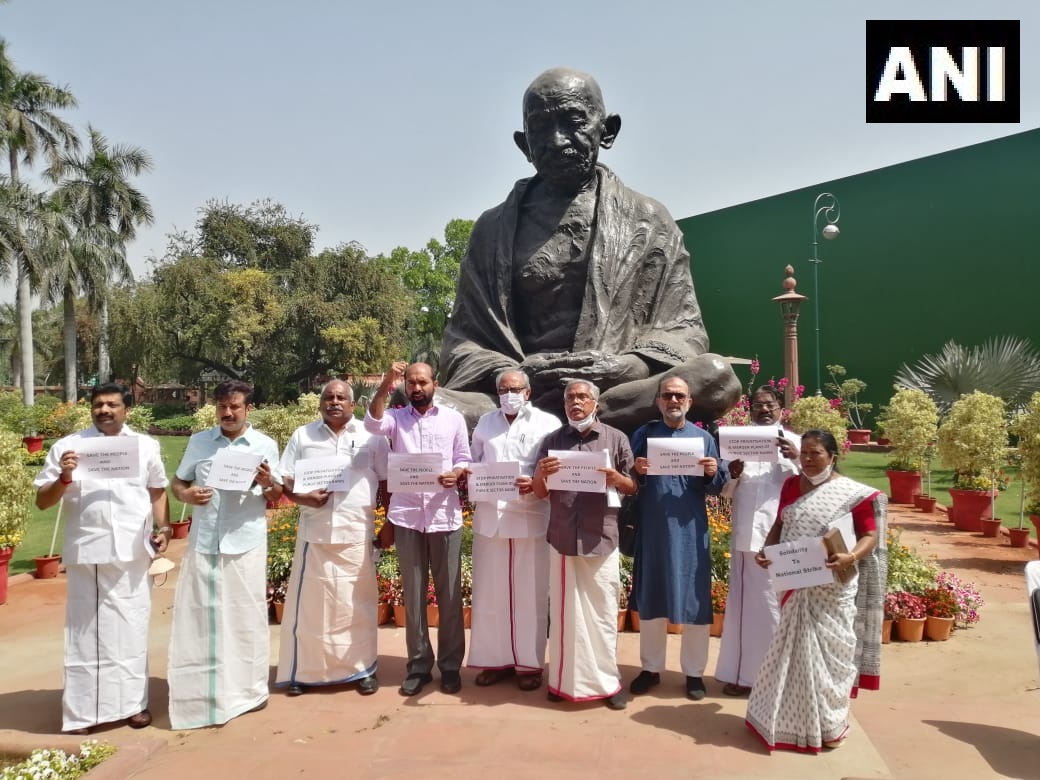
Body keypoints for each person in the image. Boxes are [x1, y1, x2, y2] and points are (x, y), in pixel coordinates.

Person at [438, 66, 739, 432]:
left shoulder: (649, 219)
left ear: (607, 130)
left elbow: (685, 331)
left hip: (616, 386)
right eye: (540, 128)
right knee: (418, 399)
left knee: (715, 376)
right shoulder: (492, 229)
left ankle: (577, 419)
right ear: (523, 143)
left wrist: (633, 365)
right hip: (516, 392)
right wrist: (512, 373)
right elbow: (462, 343)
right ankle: (577, 424)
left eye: (574, 121)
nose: (558, 140)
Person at [34, 383, 170, 735]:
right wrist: (65, 477)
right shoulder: (68, 447)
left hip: (132, 551)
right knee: (86, 633)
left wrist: (165, 527)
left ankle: (134, 705)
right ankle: (82, 714)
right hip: (88, 550)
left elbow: (156, 490)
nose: (104, 410)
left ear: (127, 409)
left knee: (131, 628)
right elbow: (43, 502)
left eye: (112, 404)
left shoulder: (144, 446)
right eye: (98, 404)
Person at [746, 429, 887, 753]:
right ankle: (783, 723)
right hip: (795, 582)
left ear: (832, 456)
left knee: (828, 656)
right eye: (804, 453)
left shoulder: (852, 494)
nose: (808, 460)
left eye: (815, 454)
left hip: (831, 588)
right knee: (788, 650)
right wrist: (768, 549)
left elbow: (870, 535)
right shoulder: (792, 485)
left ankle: (827, 725)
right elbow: (780, 523)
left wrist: (850, 556)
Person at [168, 380, 283, 729]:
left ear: (248, 409)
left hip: (245, 541)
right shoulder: (200, 441)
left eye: (234, 406)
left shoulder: (264, 444)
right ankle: (202, 691)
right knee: (203, 618)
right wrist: (187, 497)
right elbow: (178, 483)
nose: (228, 413)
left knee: (245, 617)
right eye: (222, 407)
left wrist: (267, 482)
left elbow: (277, 493)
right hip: (205, 540)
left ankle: (249, 691)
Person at [276, 380, 389, 697]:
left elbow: (386, 481)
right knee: (311, 606)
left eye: (341, 397)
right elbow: (284, 478)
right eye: (329, 397)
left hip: (356, 531)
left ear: (353, 405)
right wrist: (302, 497)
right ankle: (304, 671)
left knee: (358, 604)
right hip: (317, 533)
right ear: (320, 403)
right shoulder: (303, 435)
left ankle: (362, 669)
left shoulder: (371, 436)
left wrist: (388, 523)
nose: (335, 402)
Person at [364, 361, 471, 696]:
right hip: (408, 516)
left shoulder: (453, 418)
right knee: (413, 594)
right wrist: (385, 384)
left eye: (422, 382)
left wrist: (457, 473)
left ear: (434, 384)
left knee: (450, 596)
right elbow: (372, 423)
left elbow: (463, 456)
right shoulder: (396, 418)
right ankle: (419, 665)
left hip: (444, 516)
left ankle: (451, 666)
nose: (416, 388)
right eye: (411, 383)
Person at [532, 379, 637, 710]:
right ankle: (563, 680)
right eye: (569, 398)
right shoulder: (552, 441)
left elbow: (633, 485)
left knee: (603, 614)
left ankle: (607, 683)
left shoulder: (615, 439)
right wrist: (541, 473)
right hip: (562, 539)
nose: (575, 403)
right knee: (564, 617)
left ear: (596, 404)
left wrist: (615, 479)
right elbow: (539, 491)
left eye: (582, 397)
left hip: (600, 538)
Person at [627, 376, 725, 701]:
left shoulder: (703, 438)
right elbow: (630, 483)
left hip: (690, 532)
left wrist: (712, 472)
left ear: (689, 402)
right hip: (653, 530)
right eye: (667, 395)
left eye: (679, 395)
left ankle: (694, 673)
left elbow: (716, 487)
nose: (673, 400)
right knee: (652, 597)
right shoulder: (644, 435)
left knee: (695, 601)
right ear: (658, 401)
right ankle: (651, 668)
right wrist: (637, 471)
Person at [466, 369, 561, 691]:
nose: (510, 394)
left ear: (528, 392)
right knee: (489, 595)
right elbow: (473, 464)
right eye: (504, 389)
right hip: (490, 519)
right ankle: (495, 661)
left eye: (516, 389)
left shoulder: (548, 424)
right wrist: (471, 477)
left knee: (530, 597)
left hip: (530, 517)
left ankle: (529, 665)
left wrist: (535, 483)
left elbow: (557, 470)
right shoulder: (485, 424)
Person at [715, 385, 800, 696]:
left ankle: (779, 678)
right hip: (744, 537)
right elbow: (725, 491)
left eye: (770, 405)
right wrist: (733, 472)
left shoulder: (796, 444)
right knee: (743, 612)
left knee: (775, 608)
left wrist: (795, 459)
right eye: (758, 405)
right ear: (749, 410)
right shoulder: (739, 443)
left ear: (781, 409)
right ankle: (743, 677)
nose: (764, 410)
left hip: (781, 539)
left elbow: (813, 484)